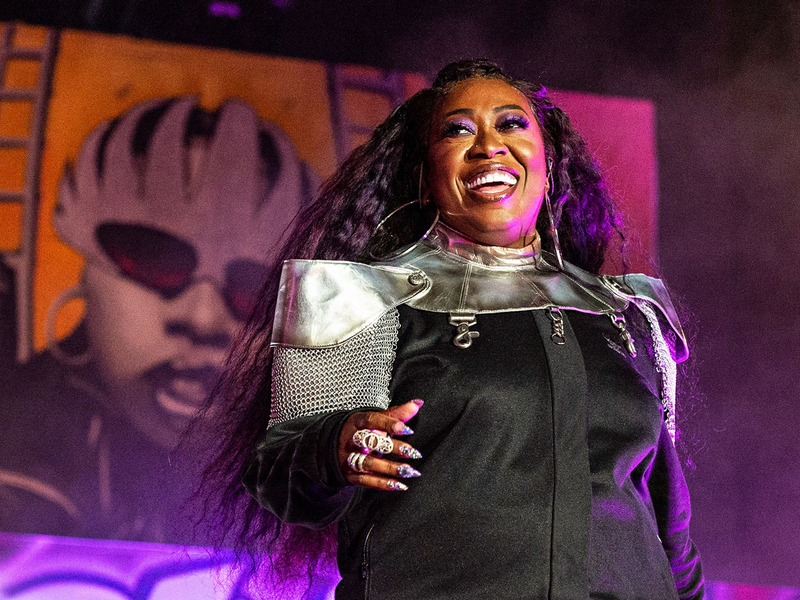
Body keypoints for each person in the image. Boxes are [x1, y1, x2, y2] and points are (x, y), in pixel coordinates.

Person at [201, 59, 704, 599]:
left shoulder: (625, 312)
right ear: (423, 176)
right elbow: (279, 474)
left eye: (511, 124)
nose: (489, 145)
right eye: (457, 130)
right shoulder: (364, 299)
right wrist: (334, 446)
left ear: (549, 162)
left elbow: (667, 525)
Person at [0, 96, 317, 542]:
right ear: (85, 274)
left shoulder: (308, 455)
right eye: (154, 259)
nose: (203, 318)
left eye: (256, 289)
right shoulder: (31, 431)